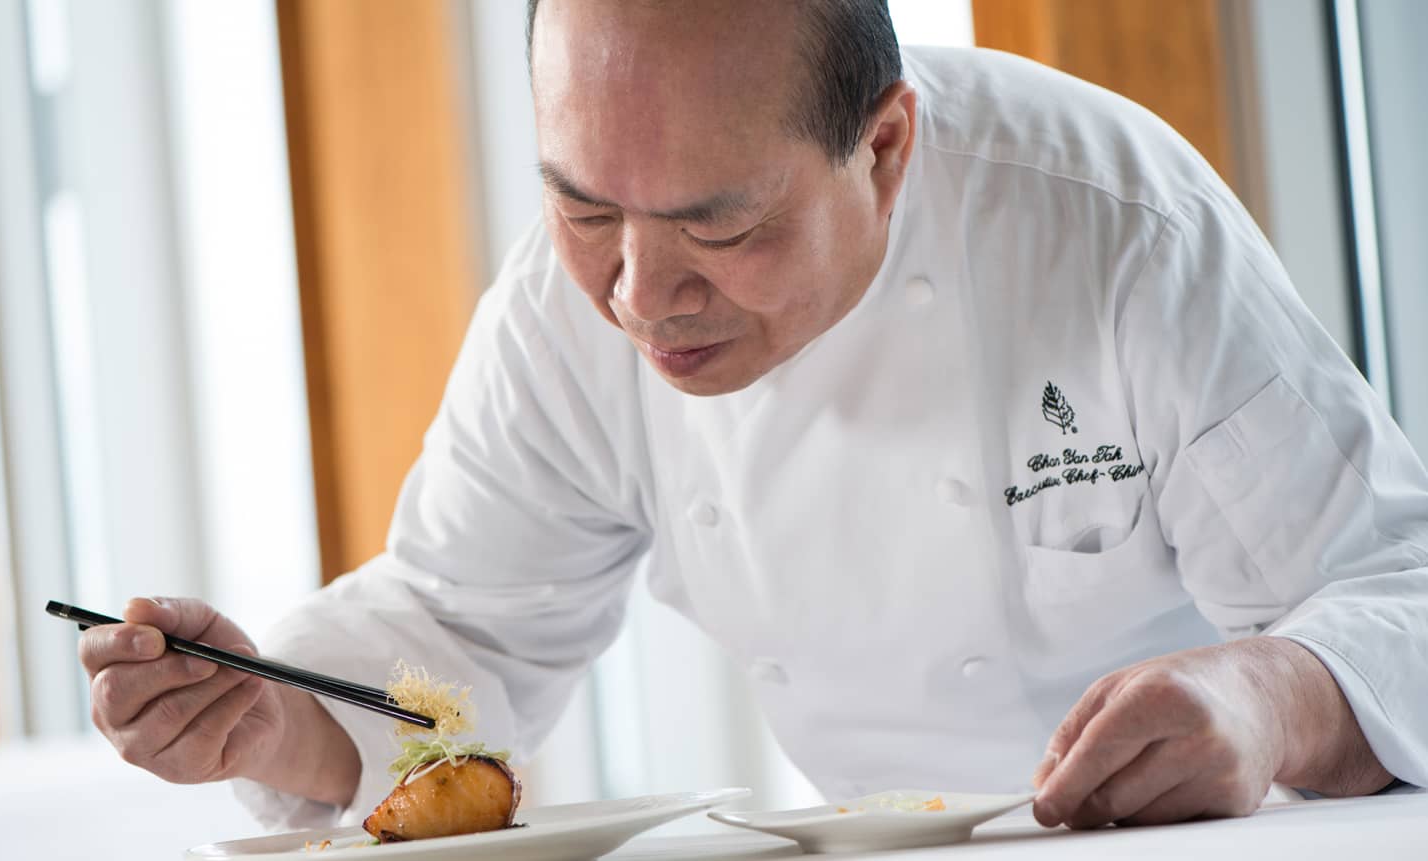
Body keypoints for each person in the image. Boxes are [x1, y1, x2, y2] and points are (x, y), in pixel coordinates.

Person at [78, 0, 1427, 832]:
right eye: (581, 206)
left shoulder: (1111, 225)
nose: (637, 293)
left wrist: (1269, 690)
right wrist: (270, 715)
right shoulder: (572, 306)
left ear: (883, 148)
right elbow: (452, 633)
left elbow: (1401, 596)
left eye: (716, 223)